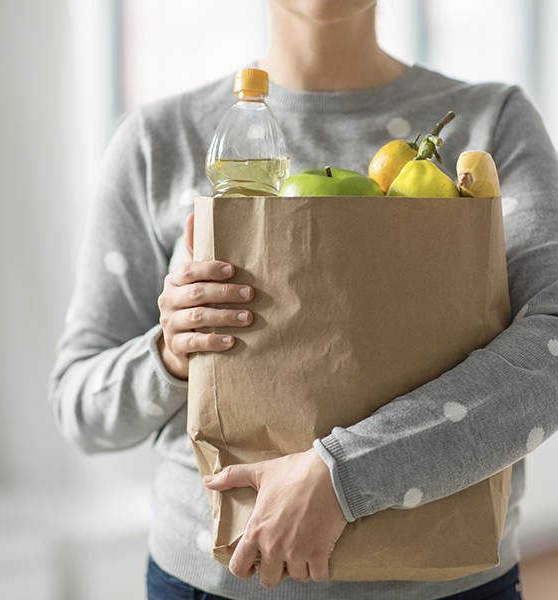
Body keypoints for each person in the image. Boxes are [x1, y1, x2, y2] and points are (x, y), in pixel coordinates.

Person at [49, 0, 558, 598]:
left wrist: (343, 475)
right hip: (206, 583)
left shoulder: (490, 121)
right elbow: (79, 408)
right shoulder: (156, 140)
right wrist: (173, 352)